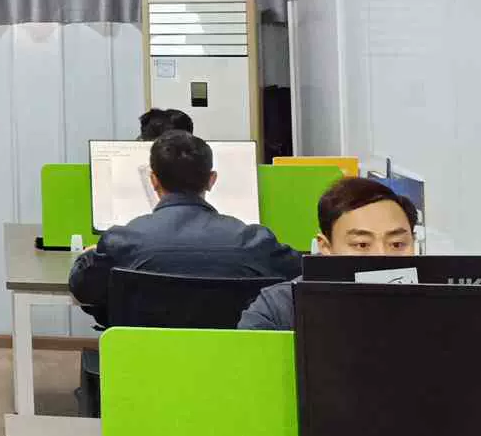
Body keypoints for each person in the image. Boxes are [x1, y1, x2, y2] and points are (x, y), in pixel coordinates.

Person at [68, 130, 302, 323]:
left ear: (153, 180)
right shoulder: (255, 242)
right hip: (235, 360)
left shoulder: (122, 242)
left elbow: (82, 289)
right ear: (211, 180)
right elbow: (302, 274)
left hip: (145, 359)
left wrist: (88, 257)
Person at [238, 177, 420, 331]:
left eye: (397, 244)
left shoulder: (435, 300)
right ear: (326, 246)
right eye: (362, 245)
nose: (382, 256)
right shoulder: (279, 309)